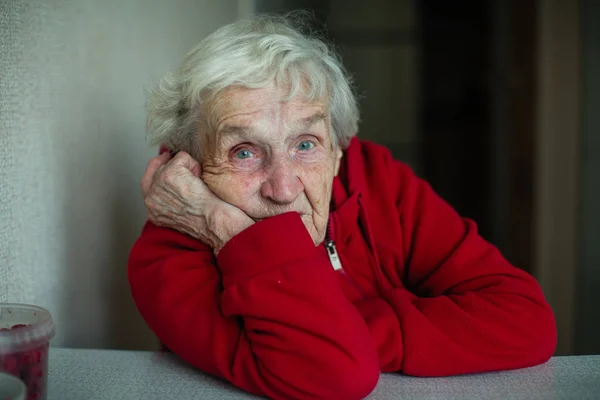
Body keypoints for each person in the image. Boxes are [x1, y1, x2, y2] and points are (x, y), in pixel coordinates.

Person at [128, 12, 556, 400]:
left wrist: (351, 330)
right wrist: (220, 222)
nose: (283, 187)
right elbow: (333, 374)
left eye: (306, 144)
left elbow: (527, 323)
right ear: (193, 166)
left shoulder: (376, 179)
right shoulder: (167, 257)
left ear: (338, 151)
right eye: (243, 152)